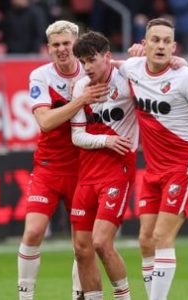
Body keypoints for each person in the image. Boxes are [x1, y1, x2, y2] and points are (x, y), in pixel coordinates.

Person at [119, 18, 188, 300]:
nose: (161, 45)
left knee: (161, 237)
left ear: (173, 46)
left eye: (167, 41)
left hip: (184, 167)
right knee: (144, 241)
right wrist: (127, 56)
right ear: (145, 43)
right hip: (153, 171)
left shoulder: (186, 77)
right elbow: (112, 67)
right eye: (155, 40)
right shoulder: (133, 68)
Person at [18, 20, 110, 300]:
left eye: (66, 43)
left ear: (76, 43)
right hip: (49, 165)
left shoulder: (91, 69)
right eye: (56, 45)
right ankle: (25, 296)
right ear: (48, 48)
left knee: (82, 245)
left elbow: (123, 67)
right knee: (33, 231)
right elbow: (45, 122)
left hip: (84, 168)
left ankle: (78, 294)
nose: (62, 49)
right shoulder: (41, 76)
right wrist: (81, 100)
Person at [69, 31, 138, 300]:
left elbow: (165, 69)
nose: (87, 68)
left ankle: (123, 296)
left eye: (91, 60)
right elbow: (77, 136)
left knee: (100, 241)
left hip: (117, 171)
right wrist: (106, 139)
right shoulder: (80, 87)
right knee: (81, 248)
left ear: (107, 57)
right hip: (87, 174)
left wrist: (135, 62)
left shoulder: (127, 79)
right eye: (83, 62)